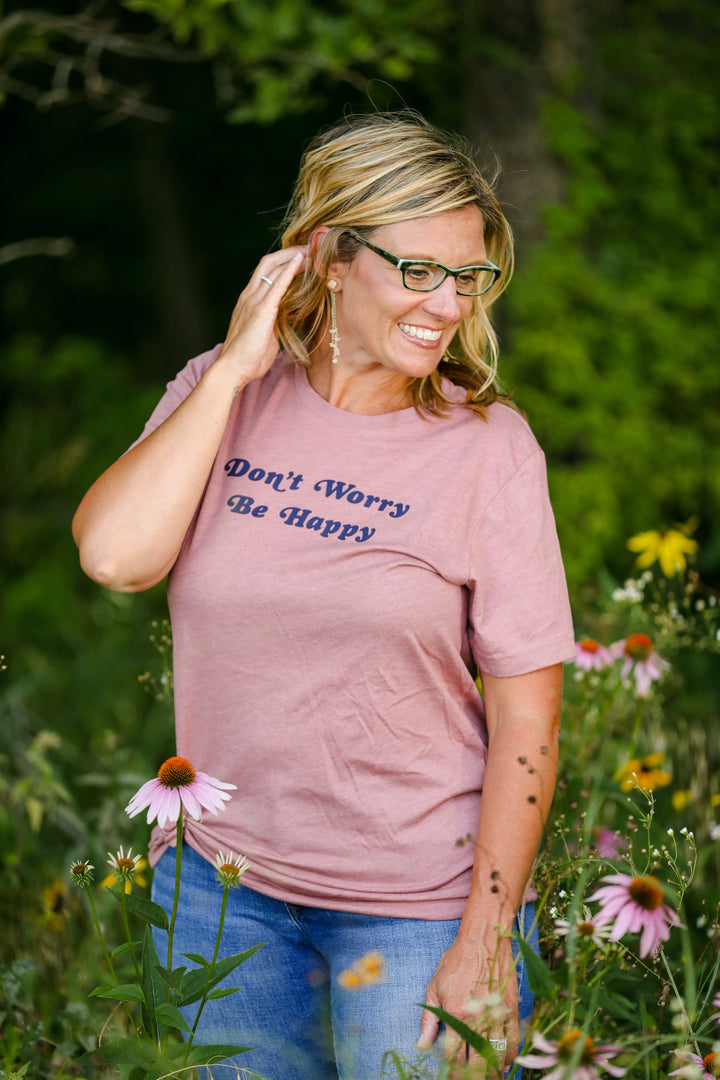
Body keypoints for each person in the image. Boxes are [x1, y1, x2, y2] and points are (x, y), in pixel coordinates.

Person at [73, 111, 575, 1080]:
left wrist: (486, 937)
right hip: (220, 902)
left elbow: (528, 721)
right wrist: (229, 372)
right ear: (331, 260)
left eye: (470, 277)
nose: (449, 304)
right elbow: (113, 557)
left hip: (418, 917)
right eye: (417, 270)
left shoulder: (490, 452)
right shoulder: (220, 397)